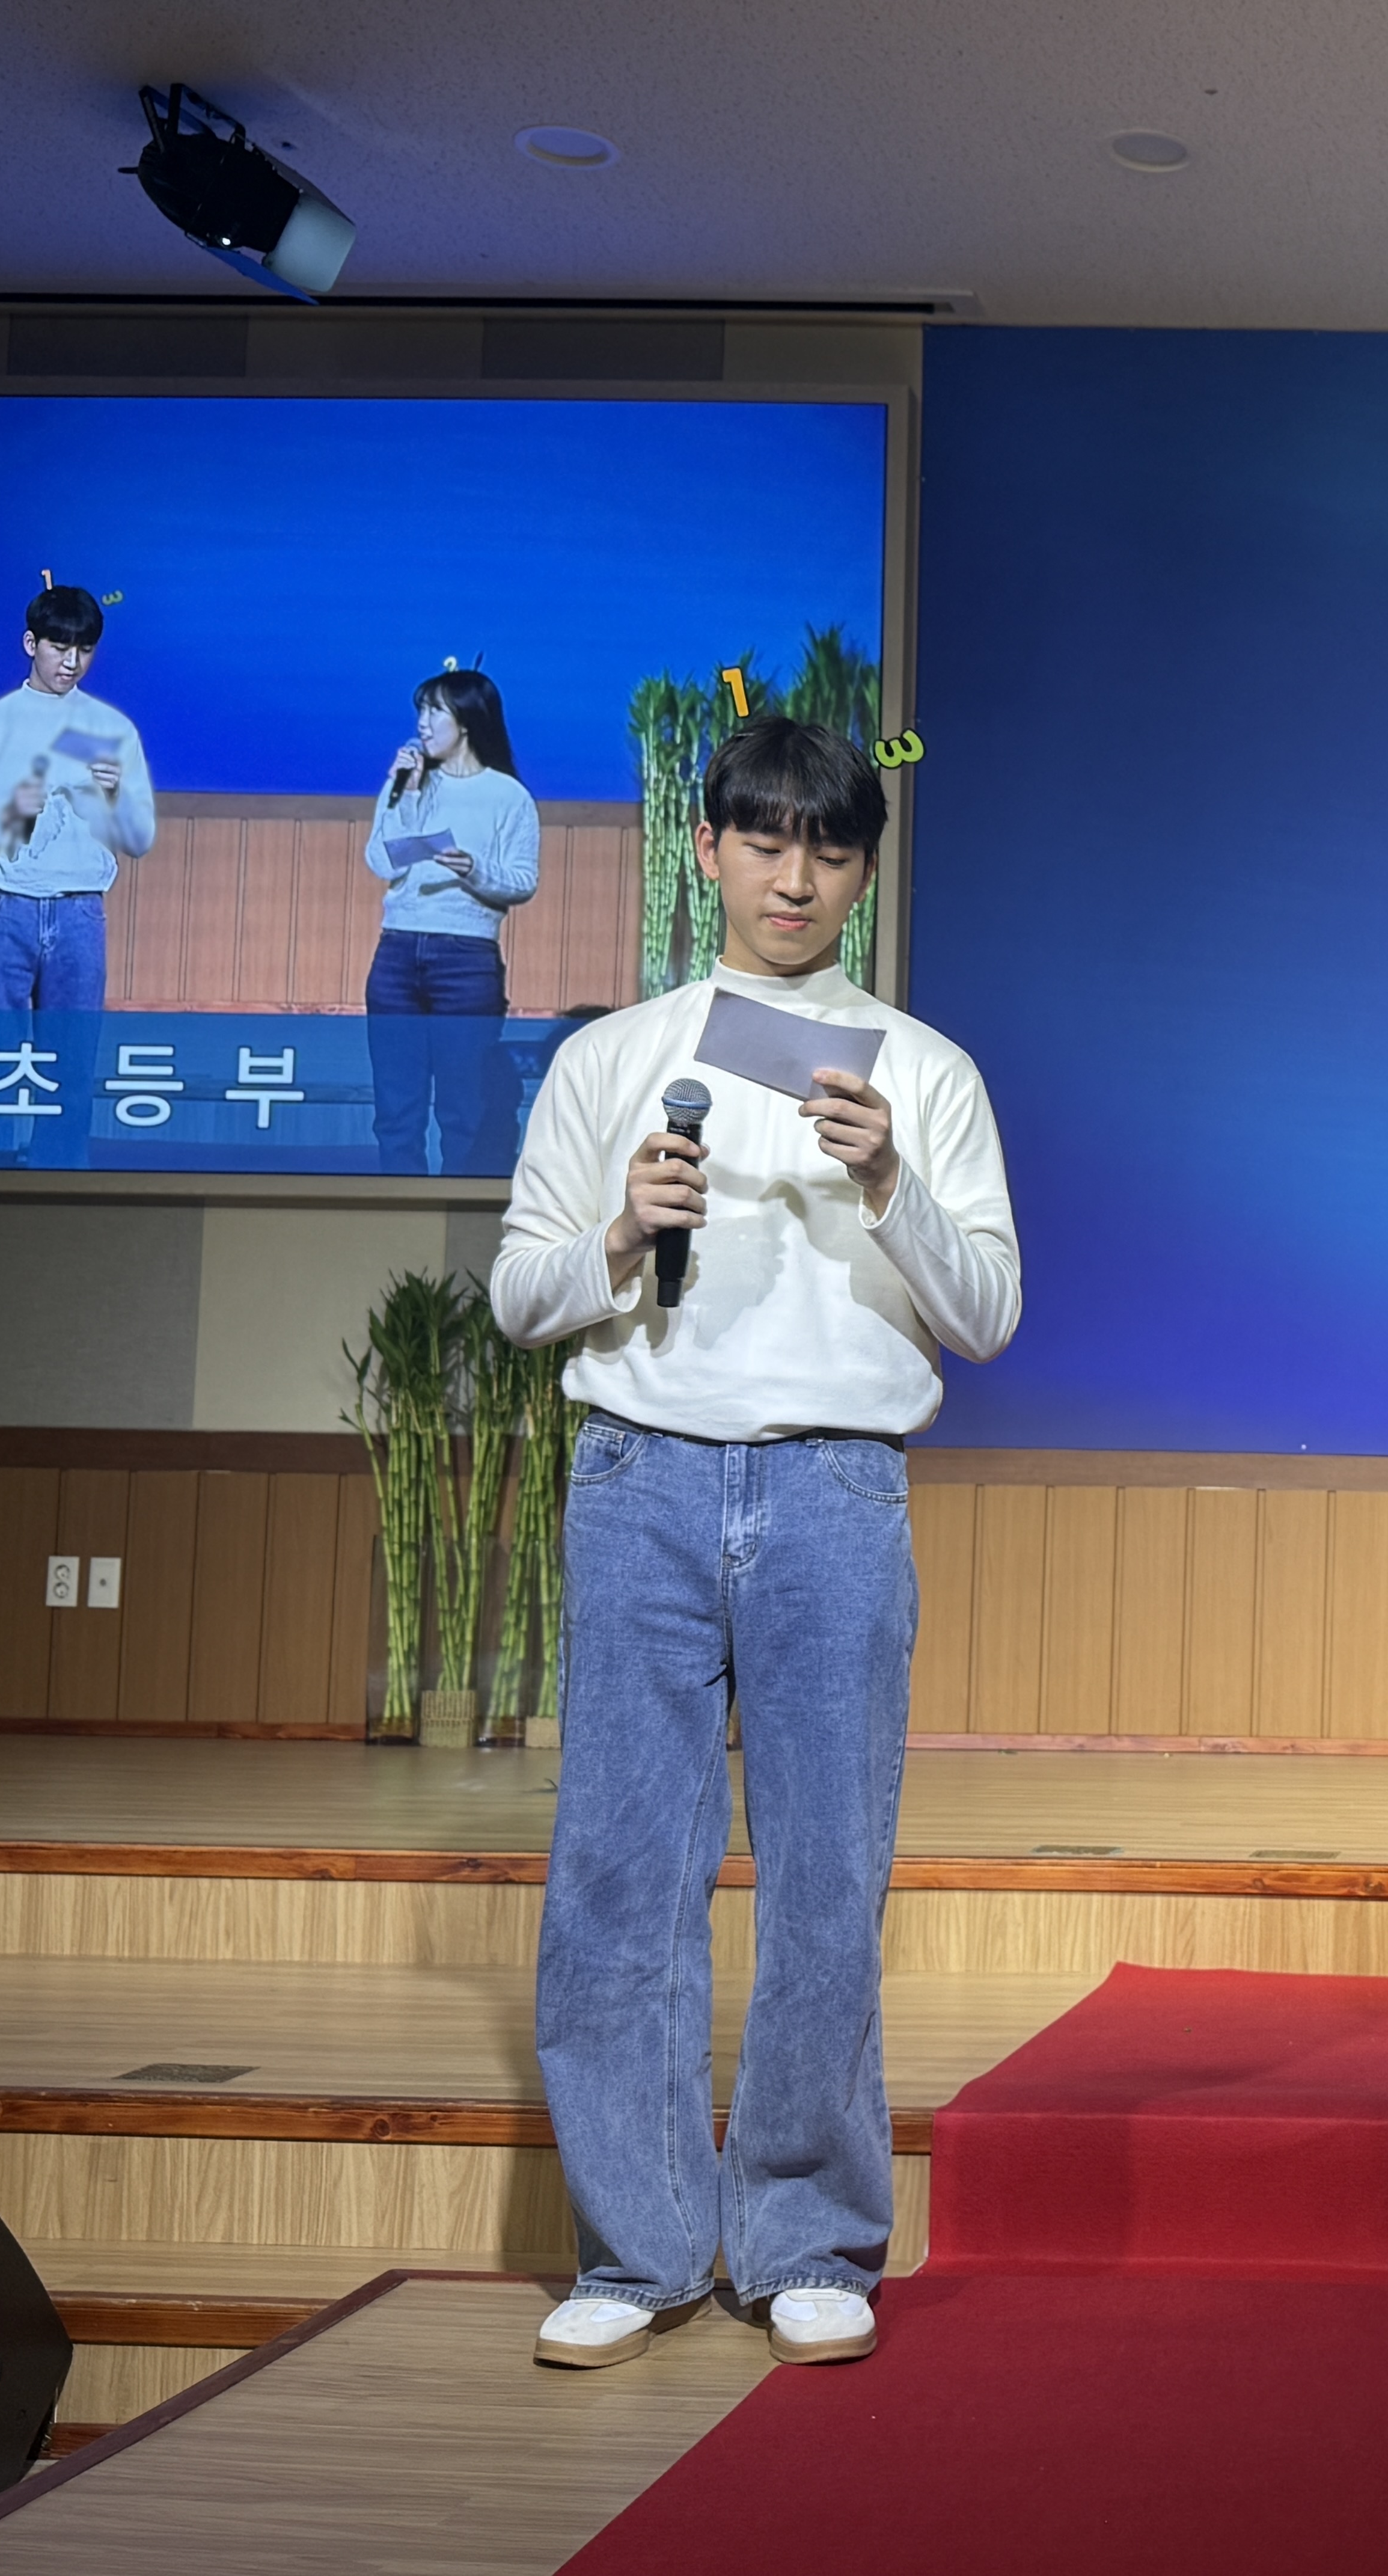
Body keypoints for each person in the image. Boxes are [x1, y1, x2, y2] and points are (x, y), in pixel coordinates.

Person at [490, 717, 1019, 2373]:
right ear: (708, 849)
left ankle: (804, 2235)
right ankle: (638, 2247)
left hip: (833, 1490)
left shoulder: (924, 1072)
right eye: (768, 841)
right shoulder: (614, 1058)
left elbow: (989, 1315)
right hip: (640, 1476)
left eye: (831, 850)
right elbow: (519, 1296)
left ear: (864, 872)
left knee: (825, 1876)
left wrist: (891, 1184)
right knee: (617, 1875)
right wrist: (619, 1233)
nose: (797, 878)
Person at [0, 584, 157, 1011]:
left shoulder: (112, 730)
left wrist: (114, 797)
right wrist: (7, 816)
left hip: (79, 912)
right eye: (60, 647)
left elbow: (140, 839)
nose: (72, 663)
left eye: (85, 650)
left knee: (71, 1050)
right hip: (0, 908)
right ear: (31, 644)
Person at [365, 667, 541, 1173]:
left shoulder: (508, 796)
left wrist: (474, 870)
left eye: (434, 711)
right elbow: (381, 861)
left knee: (463, 1108)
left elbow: (523, 881)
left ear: (466, 721)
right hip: (397, 954)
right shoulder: (407, 783)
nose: (422, 723)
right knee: (396, 1108)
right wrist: (407, 792)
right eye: (420, 711)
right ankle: (399, 1210)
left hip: (466, 960)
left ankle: (454, 1212)